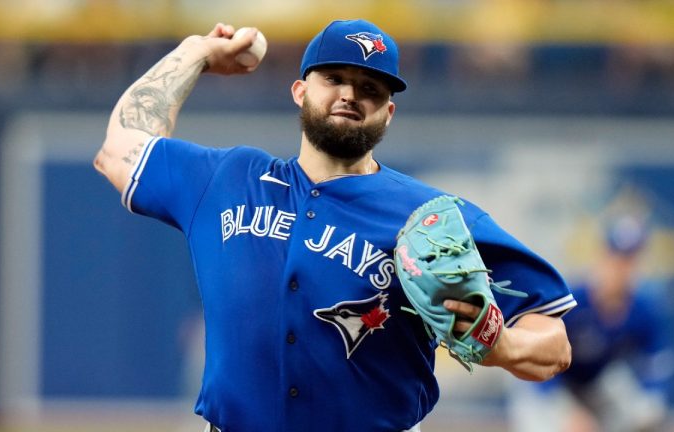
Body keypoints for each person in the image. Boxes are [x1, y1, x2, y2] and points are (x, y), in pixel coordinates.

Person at [94, 19, 575, 432]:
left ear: (388, 112)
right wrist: (195, 51)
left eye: (371, 88)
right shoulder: (226, 180)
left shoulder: (432, 216)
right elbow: (119, 148)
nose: (350, 94)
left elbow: (555, 343)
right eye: (334, 78)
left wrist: (504, 343)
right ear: (300, 90)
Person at [509, 213, 674, 432]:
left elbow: (658, 363)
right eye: (616, 257)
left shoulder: (643, 309)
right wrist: (567, 414)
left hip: (595, 383)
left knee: (648, 415)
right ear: (602, 257)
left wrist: (651, 402)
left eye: (629, 260)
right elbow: (534, 357)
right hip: (543, 381)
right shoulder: (572, 301)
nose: (621, 268)